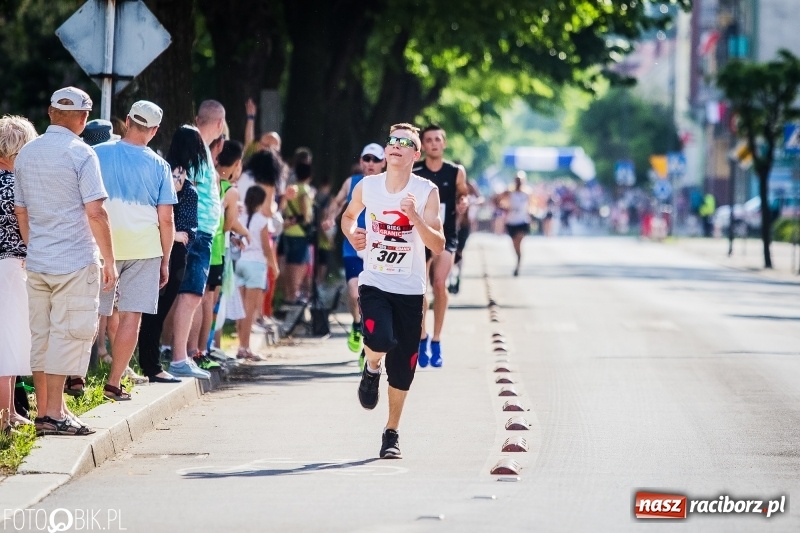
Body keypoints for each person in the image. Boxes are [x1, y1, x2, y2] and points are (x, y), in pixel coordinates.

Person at [14, 87, 117, 436]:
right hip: (73, 259)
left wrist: (35, 246)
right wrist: (110, 260)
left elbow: (21, 209)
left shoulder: (26, 153)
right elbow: (97, 212)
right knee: (68, 334)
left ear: (50, 112)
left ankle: (45, 412)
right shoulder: (82, 153)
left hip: (39, 259)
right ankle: (55, 413)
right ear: (84, 118)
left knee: (41, 336)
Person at [340, 123, 445, 459]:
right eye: (392, 141)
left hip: (411, 289)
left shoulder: (426, 191)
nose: (396, 146)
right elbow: (348, 217)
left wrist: (414, 217)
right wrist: (352, 233)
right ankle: (371, 367)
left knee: (403, 368)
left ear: (416, 154)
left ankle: (391, 432)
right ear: (386, 152)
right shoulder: (368, 186)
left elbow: (438, 245)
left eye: (405, 142)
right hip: (375, 282)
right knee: (380, 339)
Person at [93, 101, 176, 400]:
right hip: (144, 247)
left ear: (127, 121)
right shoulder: (160, 166)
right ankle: (114, 383)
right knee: (131, 317)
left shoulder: (98, 154)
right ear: (154, 130)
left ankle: (73, 379)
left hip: (103, 244)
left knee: (93, 311)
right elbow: (166, 218)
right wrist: (166, 259)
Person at [137, 125, 204, 382]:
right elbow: (162, 204)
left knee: (158, 308)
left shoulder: (173, 168)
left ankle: (150, 361)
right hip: (172, 247)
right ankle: (151, 365)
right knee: (158, 308)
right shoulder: (175, 171)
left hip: (175, 246)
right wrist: (175, 234)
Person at [168, 101, 225, 379]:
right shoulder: (194, 144)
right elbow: (178, 180)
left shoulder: (198, 146)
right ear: (219, 123)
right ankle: (180, 357)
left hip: (199, 232)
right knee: (190, 294)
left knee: (191, 294)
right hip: (196, 232)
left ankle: (183, 355)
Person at [323, 143, 386, 364]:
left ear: (383, 163)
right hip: (353, 245)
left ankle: (367, 347)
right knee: (353, 292)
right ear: (361, 161)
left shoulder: (389, 184)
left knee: (375, 299)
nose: (370, 164)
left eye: (375, 160)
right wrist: (331, 217)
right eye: (366, 159)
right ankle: (357, 324)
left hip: (379, 248)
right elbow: (338, 201)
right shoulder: (352, 182)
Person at [412, 124, 468, 368]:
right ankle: (422, 337)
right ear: (422, 145)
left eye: (438, 139)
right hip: (419, 235)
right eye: (429, 140)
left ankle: (437, 340)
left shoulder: (456, 172)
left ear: (444, 143)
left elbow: (462, 195)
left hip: (447, 234)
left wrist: (463, 203)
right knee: (420, 289)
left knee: (439, 284)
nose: (434, 144)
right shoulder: (415, 171)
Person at [189, 139, 249, 363]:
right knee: (208, 302)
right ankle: (201, 350)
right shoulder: (229, 190)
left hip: (199, 243)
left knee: (192, 298)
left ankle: (189, 348)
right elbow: (226, 224)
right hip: (215, 250)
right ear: (237, 164)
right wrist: (242, 233)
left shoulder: (209, 181)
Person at [0, 115, 37, 432]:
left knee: (8, 338)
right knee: (8, 340)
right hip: (12, 265)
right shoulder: (14, 186)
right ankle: (5, 414)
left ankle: (10, 409)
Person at [236, 186, 279, 360]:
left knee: (240, 309)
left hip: (240, 261)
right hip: (256, 264)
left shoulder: (241, 216)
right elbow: (266, 247)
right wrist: (274, 266)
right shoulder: (262, 220)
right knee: (250, 309)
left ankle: (241, 345)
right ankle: (245, 348)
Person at [281, 161, 313, 303]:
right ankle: (295, 294)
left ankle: (289, 294)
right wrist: (307, 220)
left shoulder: (291, 187)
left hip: (288, 230)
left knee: (289, 263)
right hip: (300, 232)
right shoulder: (304, 190)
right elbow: (304, 212)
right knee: (299, 264)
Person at [499, 171, 533, 276]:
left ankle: (518, 264)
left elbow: (532, 205)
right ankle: (518, 258)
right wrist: (503, 207)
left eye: (520, 181)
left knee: (519, 241)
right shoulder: (509, 192)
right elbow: (497, 199)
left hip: (523, 222)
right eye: (517, 180)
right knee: (515, 245)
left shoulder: (527, 193)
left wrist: (531, 214)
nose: (519, 182)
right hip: (511, 222)